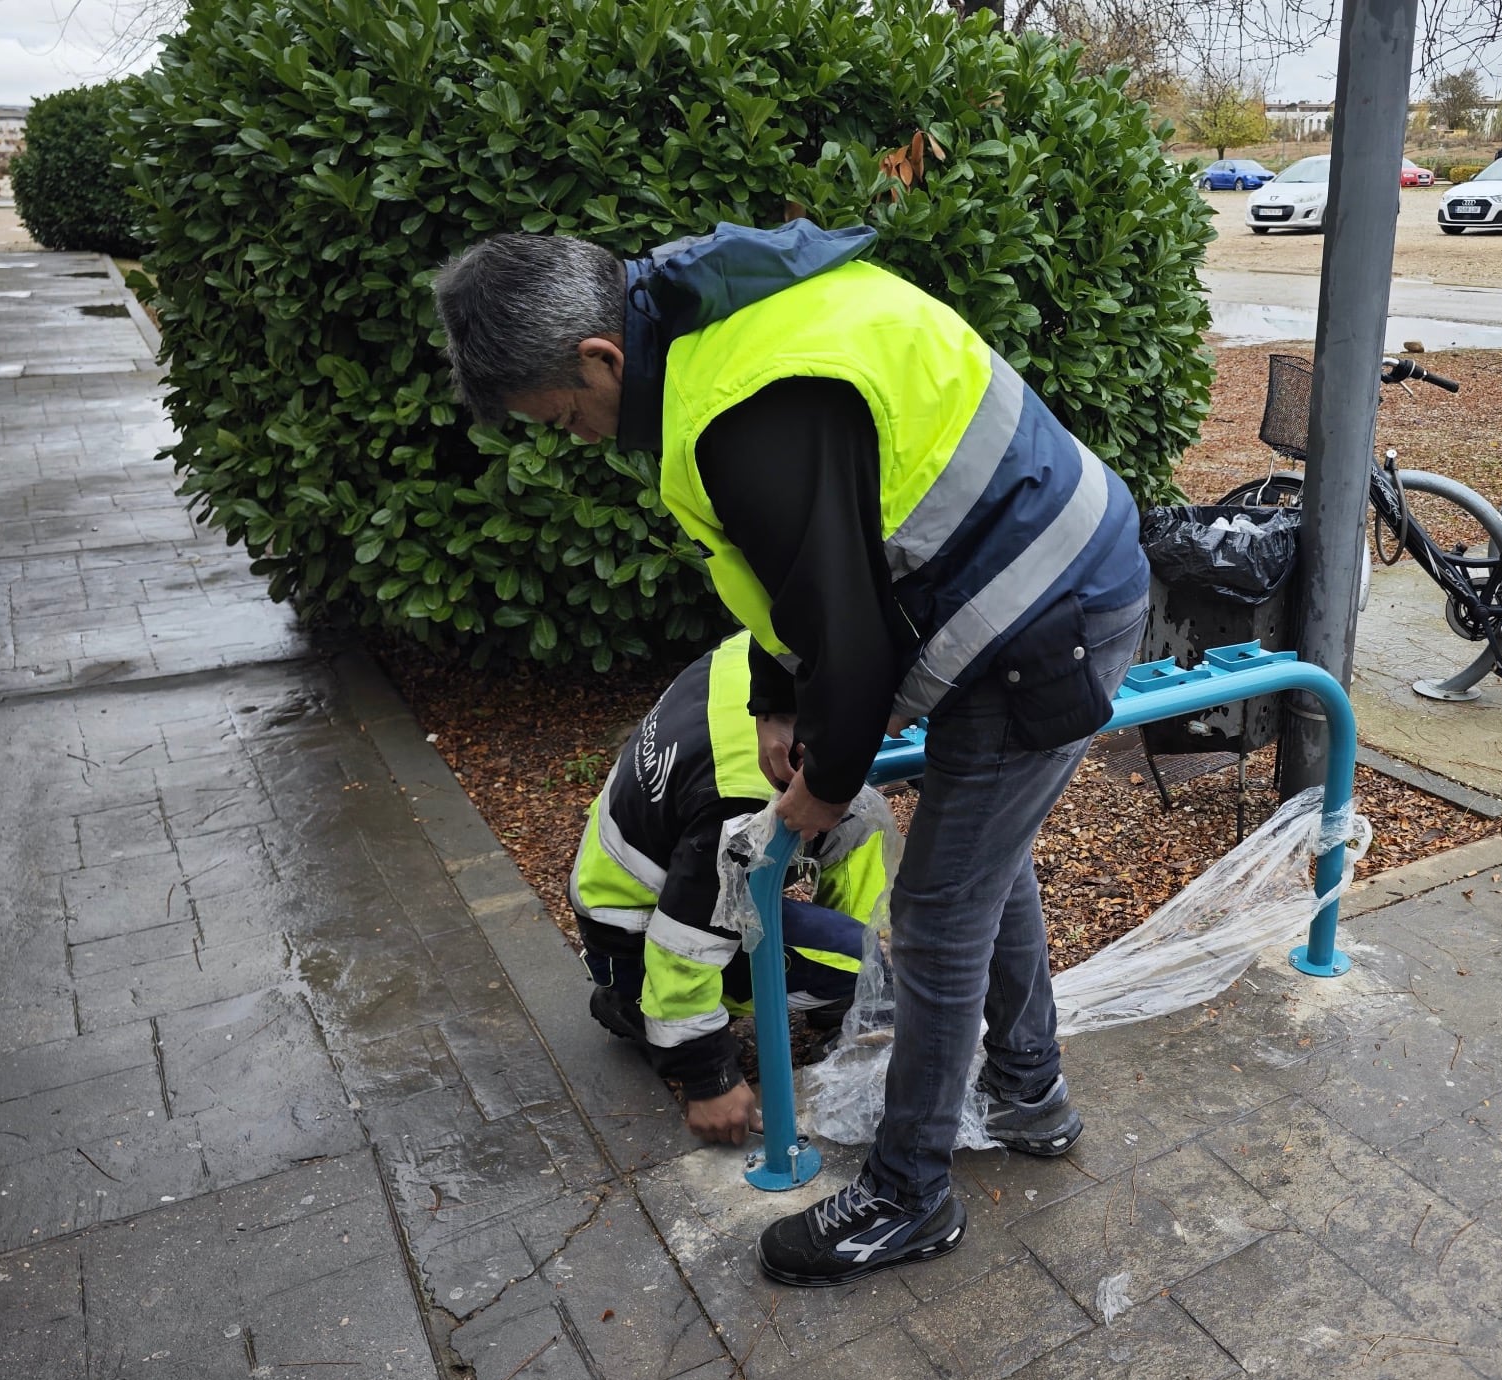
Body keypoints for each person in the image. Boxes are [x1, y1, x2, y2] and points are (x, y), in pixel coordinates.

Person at [434, 220, 1150, 1289]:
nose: (577, 439)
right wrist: (776, 695)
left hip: (1041, 616)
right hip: (1037, 587)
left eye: (565, 416)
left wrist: (815, 795)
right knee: (978, 874)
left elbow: (852, 639)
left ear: (598, 358)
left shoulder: (740, 408)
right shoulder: (699, 318)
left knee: (941, 911)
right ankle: (1032, 1095)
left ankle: (911, 1197)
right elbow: (802, 575)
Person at [567, 630, 889, 1145]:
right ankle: (635, 1001)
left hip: (639, 882)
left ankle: (836, 993)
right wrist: (708, 1075)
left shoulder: (766, 652)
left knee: (865, 956)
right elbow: (686, 938)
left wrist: (866, 977)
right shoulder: (743, 802)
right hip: (643, 930)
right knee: (858, 958)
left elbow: (853, 837)